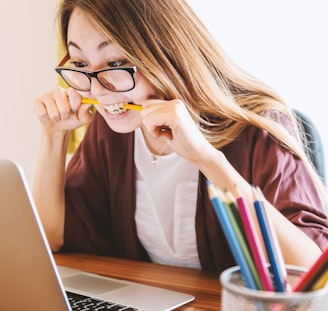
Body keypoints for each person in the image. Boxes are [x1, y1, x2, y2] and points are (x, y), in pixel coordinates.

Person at [33, 0, 328, 272]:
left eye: (116, 64)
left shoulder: (258, 127)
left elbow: (312, 271)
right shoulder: (112, 132)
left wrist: (206, 158)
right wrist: (54, 136)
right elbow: (51, 237)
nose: (96, 90)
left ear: (165, 52)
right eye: (81, 65)